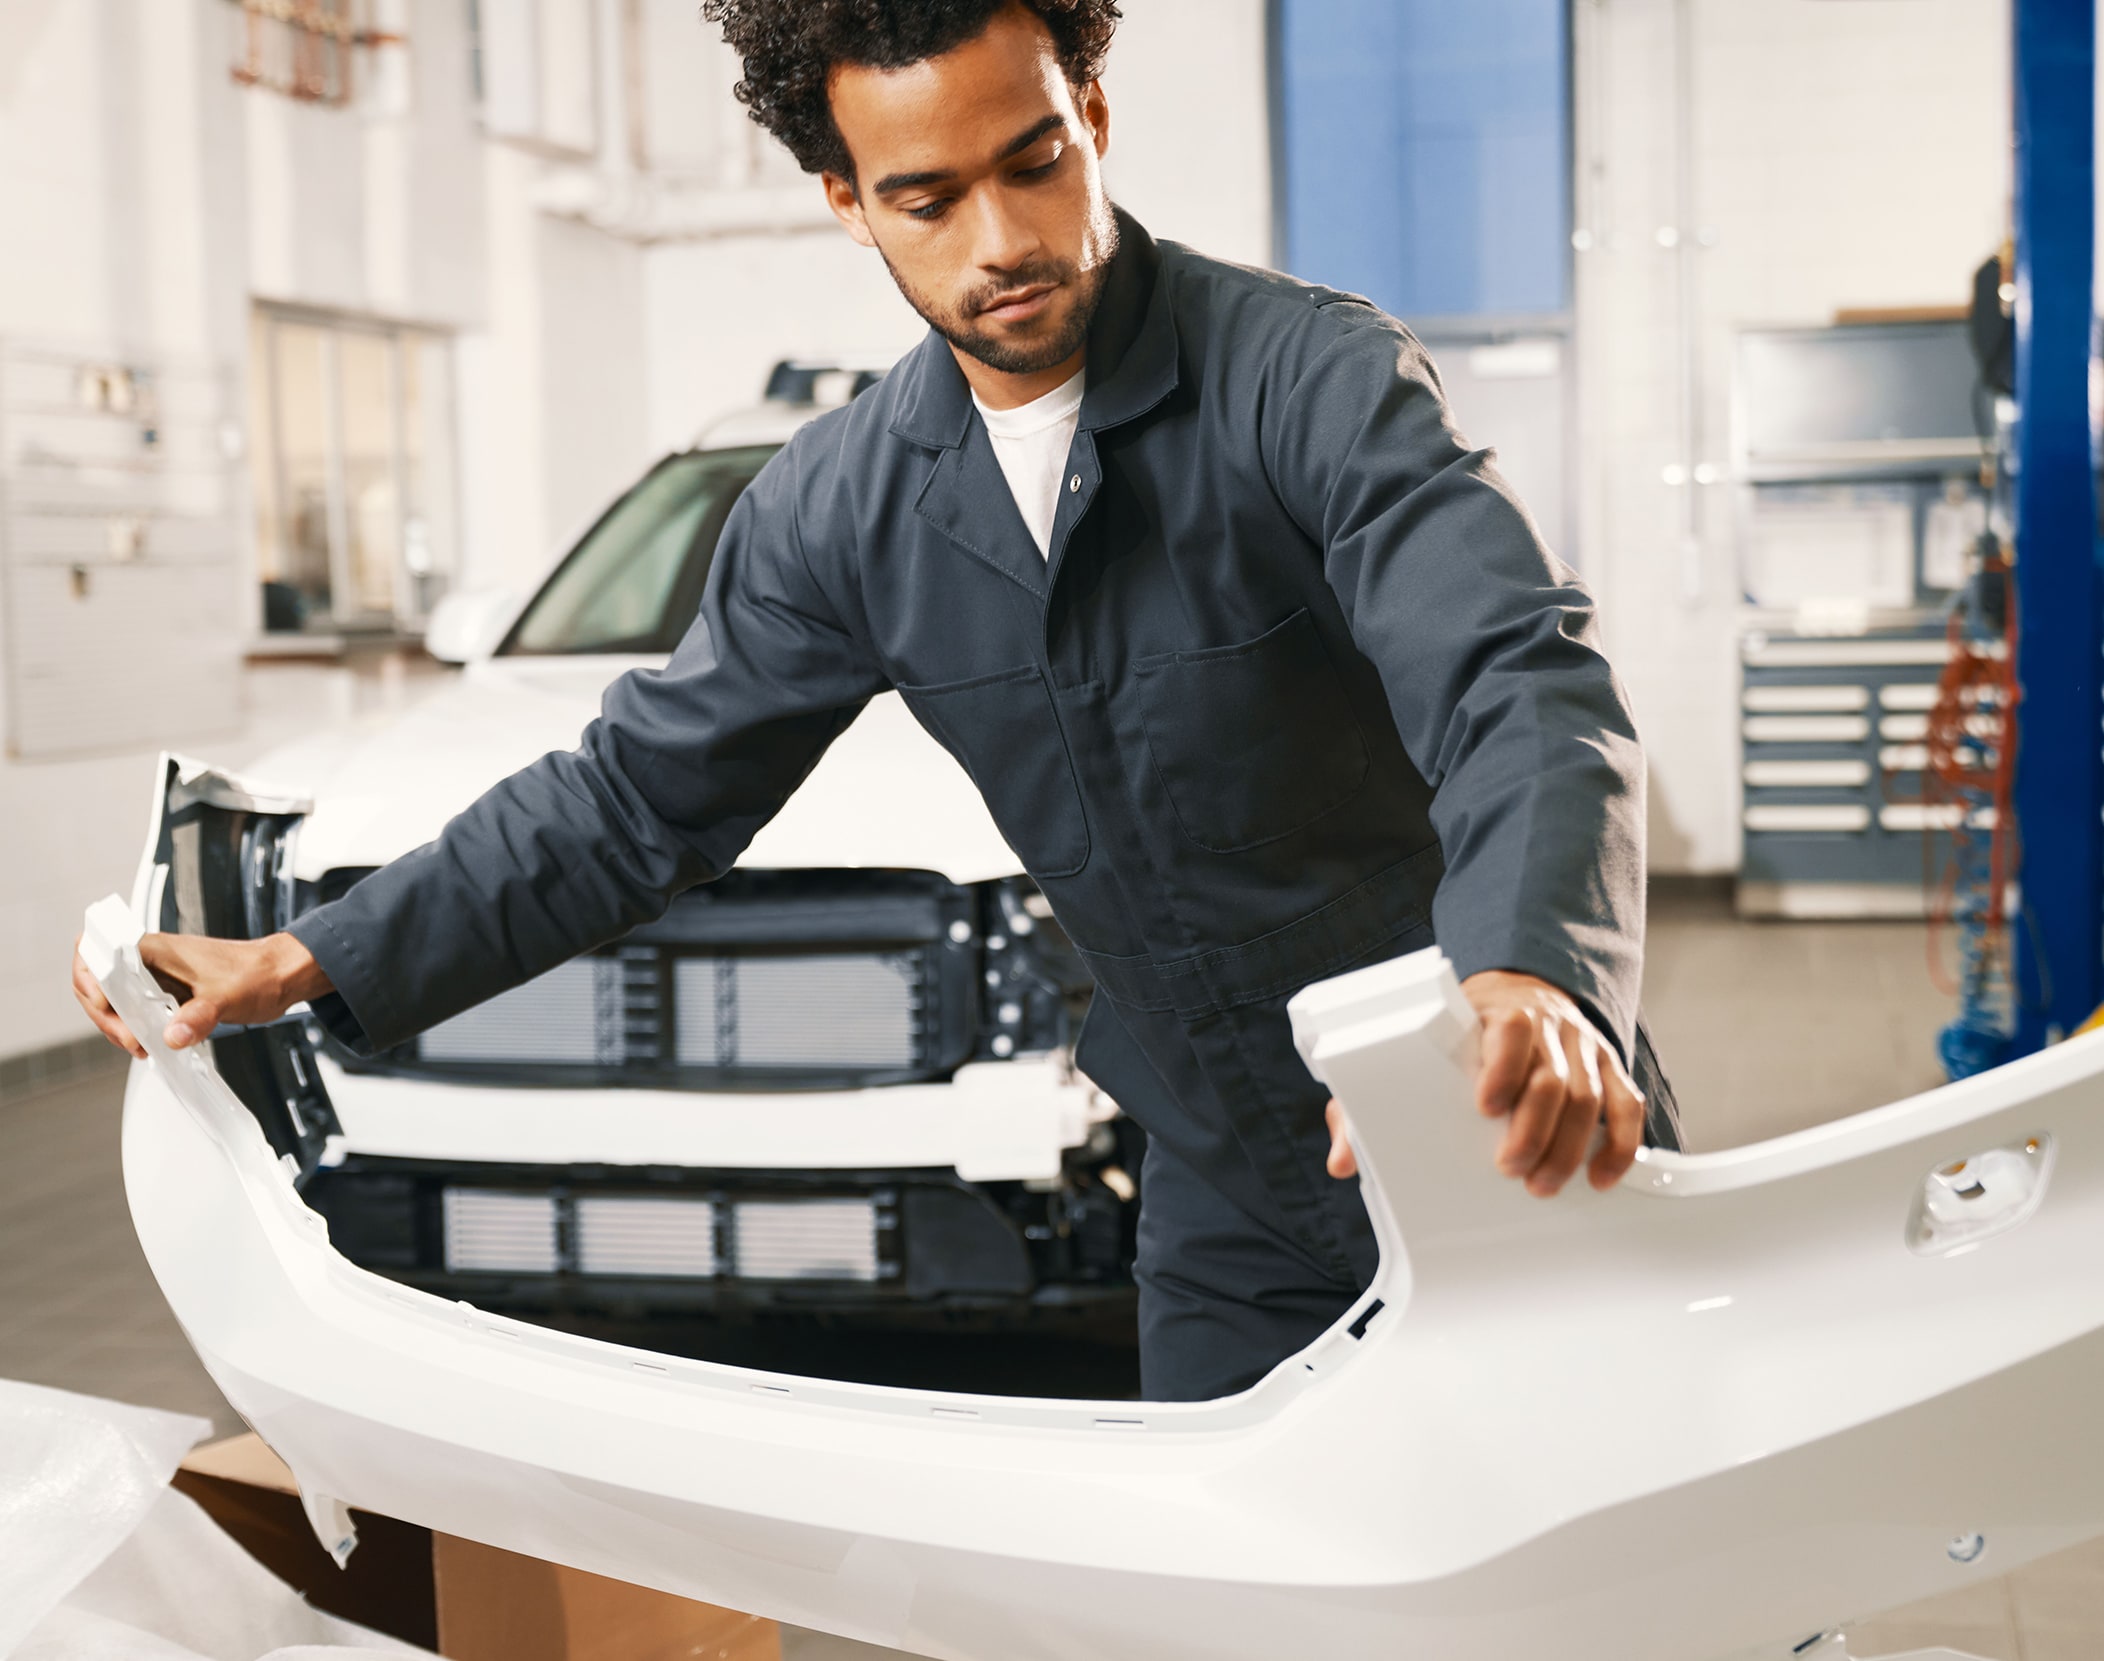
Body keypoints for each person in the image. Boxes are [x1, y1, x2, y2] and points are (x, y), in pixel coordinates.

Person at [75, 0, 1677, 1403]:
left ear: (1093, 117)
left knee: (1629, 1577)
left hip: (1492, 1111)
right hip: (1223, 1186)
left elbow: (1515, 672)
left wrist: (1529, 972)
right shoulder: (840, 510)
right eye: (929, 195)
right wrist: (308, 955)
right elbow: (634, 799)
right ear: (847, 204)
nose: (1002, 241)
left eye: (1035, 160)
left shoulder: (1307, 379)